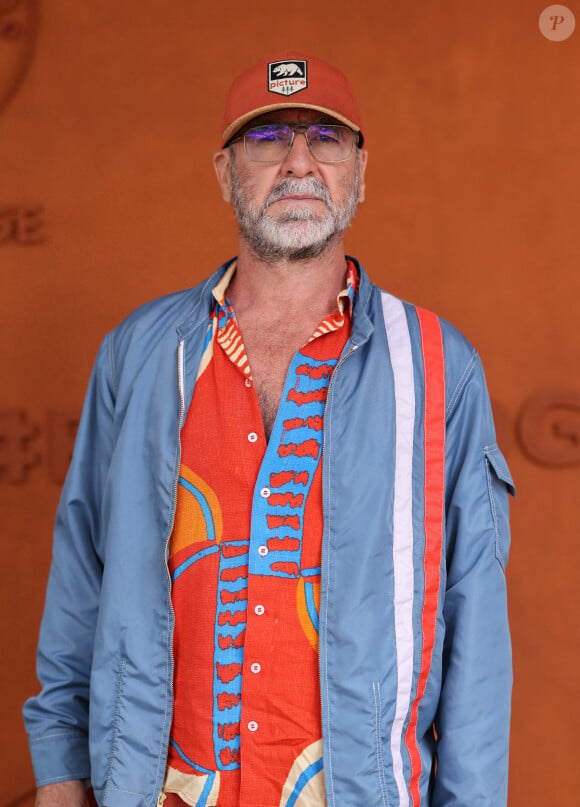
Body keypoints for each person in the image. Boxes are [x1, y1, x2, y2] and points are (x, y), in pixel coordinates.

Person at [23, 52, 515, 807]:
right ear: (224, 172)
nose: (298, 162)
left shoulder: (439, 366)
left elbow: (476, 623)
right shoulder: (144, 354)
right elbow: (81, 579)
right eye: (267, 139)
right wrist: (60, 775)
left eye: (325, 137)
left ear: (360, 168)